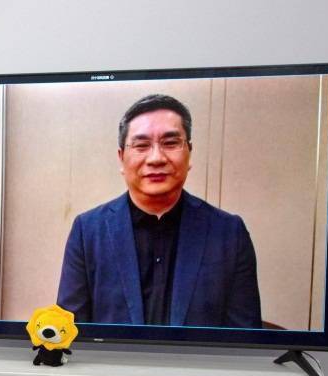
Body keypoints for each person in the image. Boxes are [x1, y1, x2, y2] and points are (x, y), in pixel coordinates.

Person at [56, 94, 262, 328]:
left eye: (170, 143)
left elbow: (244, 336)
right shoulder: (88, 231)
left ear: (189, 153)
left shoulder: (229, 233)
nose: (156, 158)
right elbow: (69, 331)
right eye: (141, 145)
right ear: (121, 158)